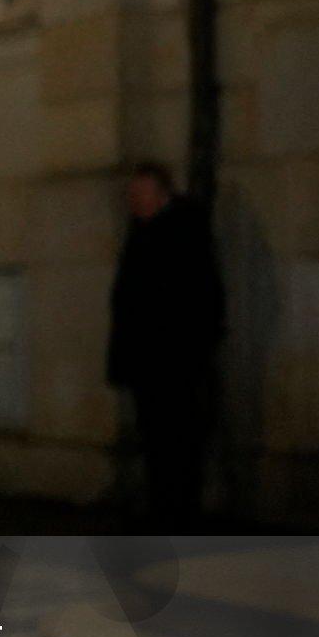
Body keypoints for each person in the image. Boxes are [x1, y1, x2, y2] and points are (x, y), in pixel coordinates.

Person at [106, 161, 225, 530]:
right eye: (133, 194)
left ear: (161, 194)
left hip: (175, 360)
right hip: (149, 359)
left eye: (141, 194)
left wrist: (190, 350)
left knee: (178, 441)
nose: (134, 201)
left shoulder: (183, 233)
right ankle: (164, 511)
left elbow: (201, 299)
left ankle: (178, 515)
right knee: (157, 440)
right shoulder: (143, 231)